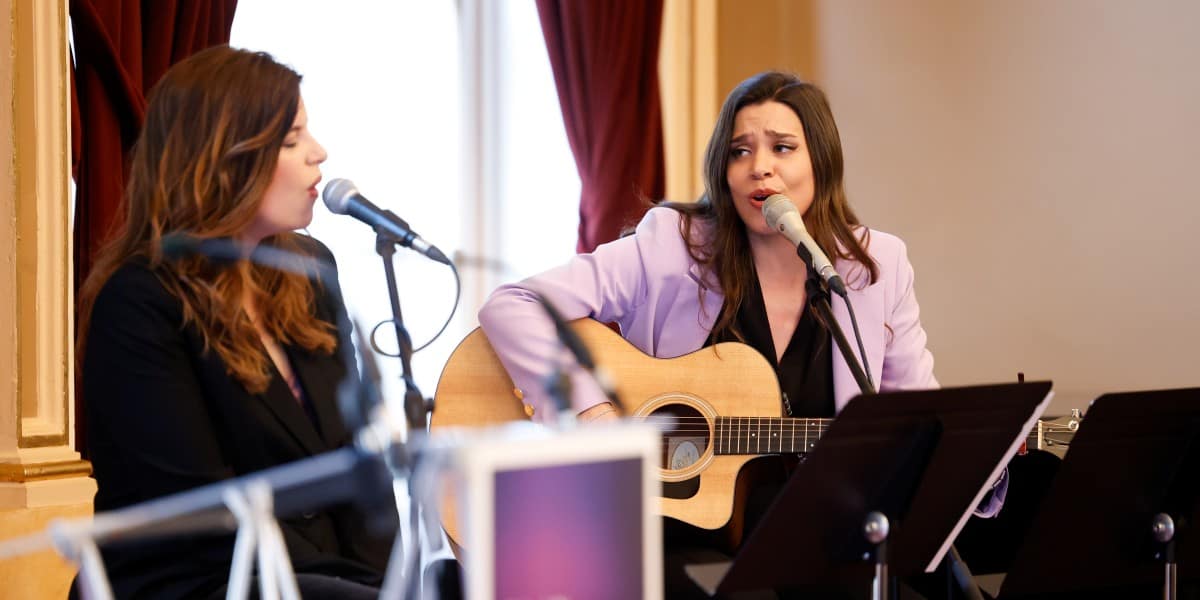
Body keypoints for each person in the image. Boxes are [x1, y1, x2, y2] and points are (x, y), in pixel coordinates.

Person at [478, 71, 1004, 597]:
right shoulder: (671, 245)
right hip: (680, 532)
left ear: (820, 160)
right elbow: (514, 304)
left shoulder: (874, 266)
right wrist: (590, 412)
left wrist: (987, 455)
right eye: (740, 151)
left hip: (826, 537)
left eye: (782, 148)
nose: (761, 168)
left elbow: (921, 416)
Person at [75, 45, 395, 599]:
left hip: (323, 578)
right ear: (224, 158)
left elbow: (360, 472)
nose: (319, 154)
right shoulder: (139, 302)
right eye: (291, 140)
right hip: (198, 582)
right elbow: (202, 517)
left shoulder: (311, 271)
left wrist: (390, 582)